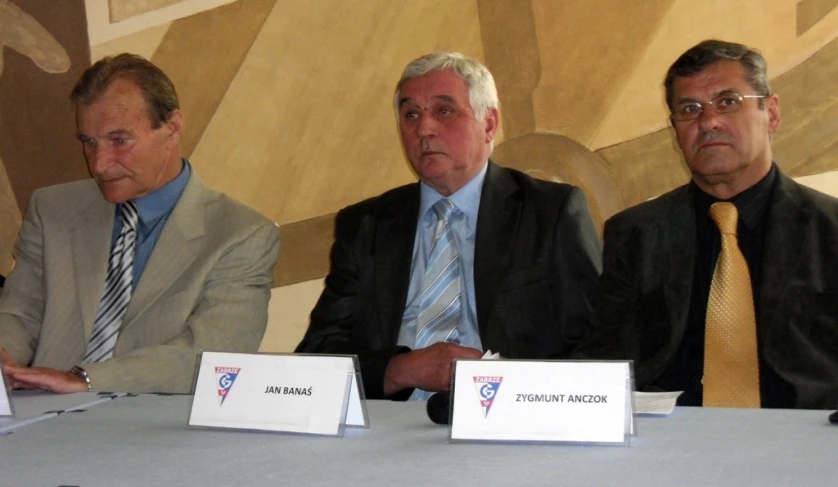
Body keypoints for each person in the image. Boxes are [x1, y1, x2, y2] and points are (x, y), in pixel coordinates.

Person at [296, 52, 601, 400]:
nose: (424, 129)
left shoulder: (549, 213)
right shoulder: (367, 225)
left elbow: (596, 344)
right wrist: (404, 368)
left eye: (444, 111)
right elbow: (317, 355)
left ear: (489, 124)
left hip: (510, 424)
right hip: (387, 425)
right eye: (411, 115)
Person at [574, 40, 838, 409]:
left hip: (806, 442)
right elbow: (604, 363)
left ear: (771, 113)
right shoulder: (637, 234)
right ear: (675, 131)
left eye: (728, 102)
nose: (709, 121)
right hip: (670, 442)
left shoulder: (830, 230)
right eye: (690, 109)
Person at [0, 54, 280, 394]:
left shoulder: (240, 235)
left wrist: (87, 380)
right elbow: (20, 313)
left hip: (155, 430)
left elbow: (213, 355)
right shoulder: (52, 209)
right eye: (89, 142)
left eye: (119, 140)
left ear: (172, 129)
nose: (100, 165)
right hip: (38, 419)